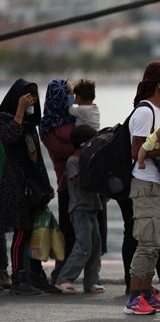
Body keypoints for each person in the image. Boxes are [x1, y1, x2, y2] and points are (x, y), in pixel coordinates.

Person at [123, 61, 160, 315]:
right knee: (146, 242)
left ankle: (147, 293)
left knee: (157, 243)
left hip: (159, 184)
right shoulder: (144, 112)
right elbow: (136, 151)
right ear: (159, 83)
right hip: (145, 185)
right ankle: (134, 298)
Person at [0, 79, 54, 295]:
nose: (31, 104)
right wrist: (20, 111)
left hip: (31, 188)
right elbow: (10, 137)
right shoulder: (4, 119)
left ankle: (32, 274)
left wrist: (45, 185)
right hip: (12, 187)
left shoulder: (31, 126)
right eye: (26, 99)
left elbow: (36, 159)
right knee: (20, 231)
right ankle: (18, 277)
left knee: (30, 231)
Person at [54, 125, 104, 294]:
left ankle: (91, 281)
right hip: (79, 208)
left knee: (95, 246)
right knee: (84, 245)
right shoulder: (73, 162)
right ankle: (64, 278)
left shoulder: (87, 161)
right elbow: (77, 182)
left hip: (92, 207)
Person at [39, 78, 76, 291]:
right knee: (67, 232)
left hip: (83, 181)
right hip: (65, 182)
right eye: (68, 93)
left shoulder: (75, 116)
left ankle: (84, 274)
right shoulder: (47, 126)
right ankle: (60, 274)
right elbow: (60, 151)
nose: (71, 97)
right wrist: (81, 144)